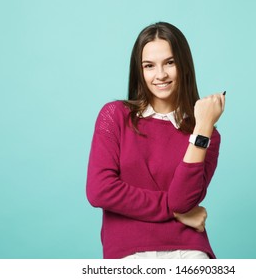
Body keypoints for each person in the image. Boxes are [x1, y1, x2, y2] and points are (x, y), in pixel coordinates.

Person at [86, 22, 225, 259]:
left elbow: (182, 201)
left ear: (184, 65)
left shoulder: (205, 134)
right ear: (139, 71)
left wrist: (202, 127)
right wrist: (174, 211)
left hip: (189, 251)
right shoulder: (115, 116)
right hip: (128, 252)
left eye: (170, 63)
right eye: (149, 66)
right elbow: (100, 191)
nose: (160, 75)